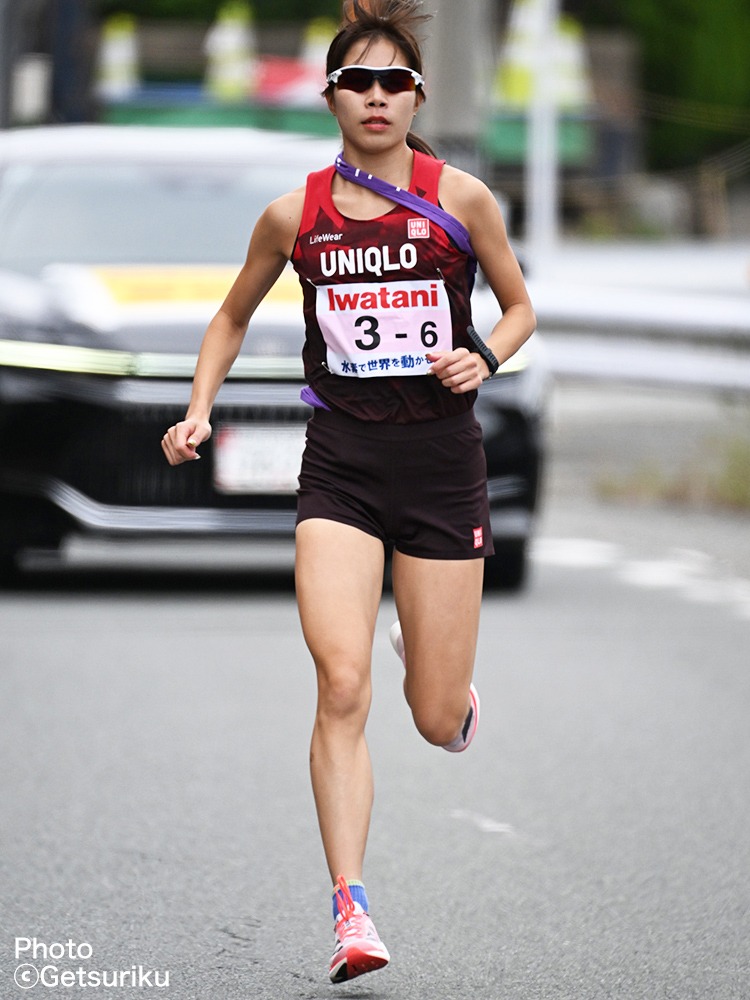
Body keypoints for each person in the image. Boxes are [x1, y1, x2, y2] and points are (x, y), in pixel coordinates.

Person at [162, 0, 535, 984]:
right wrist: (199, 409)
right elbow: (230, 315)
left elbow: (522, 303)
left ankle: (441, 675)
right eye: (357, 82)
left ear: (418, 96)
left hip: (442, 463)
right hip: (341, 466)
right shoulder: (296, 213)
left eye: (394, 83)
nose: (376, 98)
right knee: (340, 682)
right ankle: (351, 909)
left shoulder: (463, 200)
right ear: (329, 96)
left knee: (431, 714)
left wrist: (484, 356)